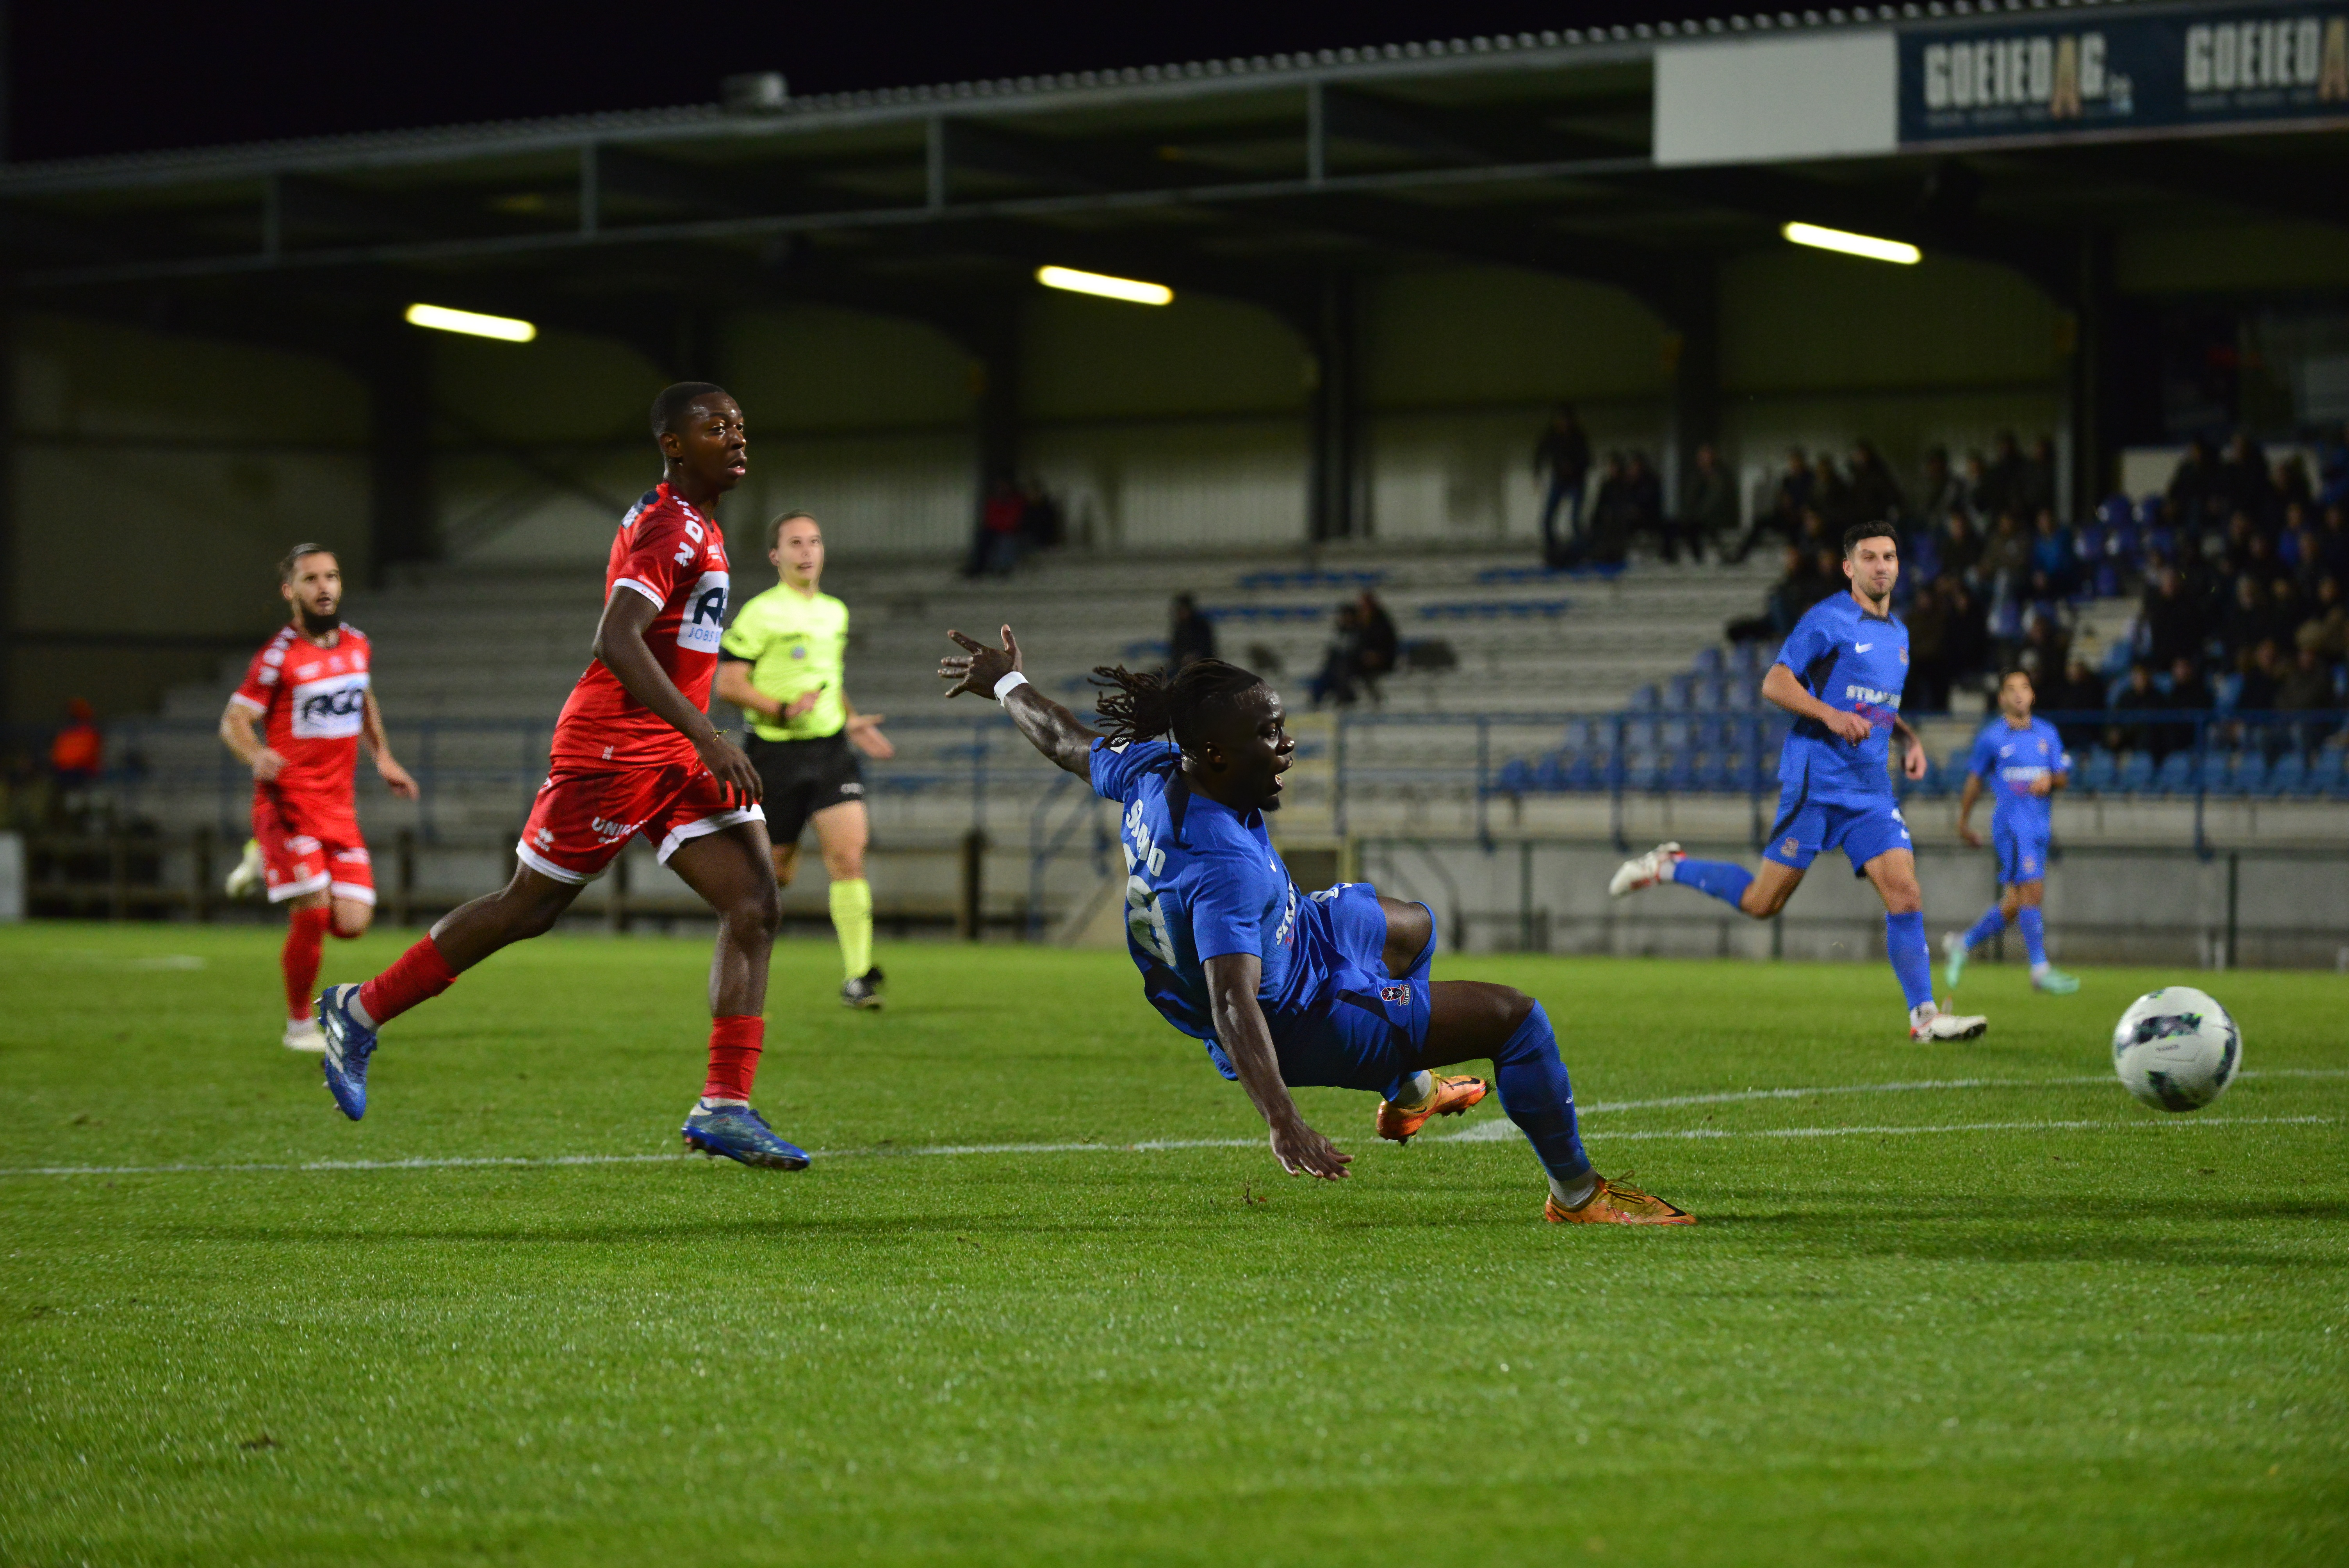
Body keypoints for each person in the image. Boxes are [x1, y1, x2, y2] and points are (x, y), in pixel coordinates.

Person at [935, 631, 1693, 1225]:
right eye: (1268, 734)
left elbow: (1066, 741)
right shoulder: (1219, 863)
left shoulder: (1151, 767)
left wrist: (1005, 679)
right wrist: (1283, 1118)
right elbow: (1234, 1000)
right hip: (1301, 1012)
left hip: (1306, 935)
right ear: (1216, 755)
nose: (1286, 744)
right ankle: (1575, 1194)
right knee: (1519, 1022)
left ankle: (1409, 1091)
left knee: (1414, 928)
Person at [314, 383, 809, 1171]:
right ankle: (358, 1007)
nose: (738, 438)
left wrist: (694, 739)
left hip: (672, 750)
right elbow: (616, 638)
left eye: (742, 426)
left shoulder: (698, 524)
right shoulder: (669, 526)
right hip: (614, 746)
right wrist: (709, 733)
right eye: (717, 428)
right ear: (674, 445)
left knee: (753, 900)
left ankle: (724, 1104)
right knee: (529, 907)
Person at [1609, 523, 1988, 1044]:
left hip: (1870, 791)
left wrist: (1908, 738)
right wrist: (1830, 716)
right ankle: (1671, 866)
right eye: (1870, 557)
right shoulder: (1827, 619)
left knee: (1904, 892)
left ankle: (1924, 1018)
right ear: (1849, 568)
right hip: (1817, 781)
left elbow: (1876, 705)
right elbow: (1775, 681)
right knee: (1763, 905)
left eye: (1890, 557)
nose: (1882, 566)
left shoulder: (1898, 635)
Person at [218, 546, 418, 1052]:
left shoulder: (356, 645)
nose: (324, 587)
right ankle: (299, 1026)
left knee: (351, 924)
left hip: (337, 807)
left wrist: (384, 757)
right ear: (291, 591)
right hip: (287, 804)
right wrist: (256, 754)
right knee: (311, 914)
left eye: (331, 577)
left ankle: (263, 861)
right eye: (311, 579)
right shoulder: (277, 657)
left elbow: (363, 699)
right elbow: (234, 720)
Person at [716, 510, 895, 1010]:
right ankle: (741, 965)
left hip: (831, 751)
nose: (806, 551)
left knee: (848, 856)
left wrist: (851, 720)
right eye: (795, 543)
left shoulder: (834, 612)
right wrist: (780, 709)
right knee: (775, 876)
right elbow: (727, 683)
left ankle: (858, 976)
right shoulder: (760, 613)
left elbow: (829, 681)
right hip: (774, 754)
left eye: (814, 541)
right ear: (776, 555)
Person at [1943, 669, 2079, 997]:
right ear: (2002, 698)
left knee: (2015, 903)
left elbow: (2063, 777)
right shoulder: (1992, 737)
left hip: (2039, 826)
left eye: (2025, 688)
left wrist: (2050, 780)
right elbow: (1975, 780)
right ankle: (2039, 969)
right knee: (2033, 891)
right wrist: (1963, 821)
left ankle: (1963, 944)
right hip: (2012, 826)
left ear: (2032, 695)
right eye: (2011, 689)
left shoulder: (2048, 733)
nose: (2019, 694)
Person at [1533, 405, 1591, 567]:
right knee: (1548, 518)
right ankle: (1553, 552)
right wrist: (1537, 474)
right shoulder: (1552, 437)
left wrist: (1573, 468)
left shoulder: (1578, 438)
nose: (1562, 424)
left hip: (1576, 482)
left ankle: (1579, 553)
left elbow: (1587, 460)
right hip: (1559, 481)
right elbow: (1540, 453)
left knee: (1575, 520)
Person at [48, 698, 102, 786]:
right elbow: (57, 758)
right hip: (63, 774)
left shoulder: (90, 733)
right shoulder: (64, 734)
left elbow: (91, 760)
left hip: (83, 775)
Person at [1169, 593, 1217, 672]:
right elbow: (1175, 651)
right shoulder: (1179, 628)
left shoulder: (1201, 626)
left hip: (1203, 666)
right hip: (1181, 668)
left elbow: (1207, 648)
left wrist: (1195, 658)